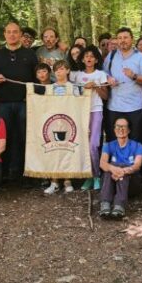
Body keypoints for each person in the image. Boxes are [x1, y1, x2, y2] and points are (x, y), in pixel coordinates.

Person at [0, 21, 38, 181]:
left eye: (15, 32)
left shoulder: (30, 54)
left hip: (24, 103)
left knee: (25, 137)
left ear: (21, 35)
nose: (12, 35)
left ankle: (27, 173)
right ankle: (5, 173)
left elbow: (38, 78)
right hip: (3, 104)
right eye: (9, 32)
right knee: (4, 137)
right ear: (5, 35)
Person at [103, 27, 142, 143]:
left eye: (125, 37)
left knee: (137, 141)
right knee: (113, 141)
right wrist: (108, 78)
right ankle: (114, 162)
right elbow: (103, 73)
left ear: (132, 39)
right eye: (119, 38)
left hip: (135, 107)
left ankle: (139, 162)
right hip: (114, 107)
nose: (122, 40)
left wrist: (134, 76)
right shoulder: (112, 55)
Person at [70, 46, 109, 191]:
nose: (89, 58)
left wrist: (96, 86)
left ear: (96, 59)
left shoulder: (101, 74)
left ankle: (97, 175)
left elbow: (106, 96)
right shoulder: (77, 76)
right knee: (84, 145)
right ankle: (88, 176)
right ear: (82, 59)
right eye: (86, 56)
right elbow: (74, 96)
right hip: (81, 112)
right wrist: (83, 88)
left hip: (96, 110)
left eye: (92, 56)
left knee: (93, 145)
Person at [44, 60, 81, 194]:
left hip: (69, 122)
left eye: (62, 69)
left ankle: (67, 180)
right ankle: (54, 182)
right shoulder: (51, 87)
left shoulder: (74, 87)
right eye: (56, 70)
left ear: (68, 70)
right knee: (54, 151)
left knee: (68, 150)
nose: (59, 72)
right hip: (54, 122)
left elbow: (78, 105)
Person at [99, 117, 142, 219]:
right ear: (114, 129)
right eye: (118, 126)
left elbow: (137, 165)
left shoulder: (138, 146)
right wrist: (114, 169)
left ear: (129, 130)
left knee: (122, 166)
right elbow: (102, 163)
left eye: (123, 126)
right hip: (112, 185)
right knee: (108, 169)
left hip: (131, 185)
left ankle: (119, 205)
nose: (120, 129)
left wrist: (122, 171)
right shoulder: (108, 145)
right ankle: (105, 204)